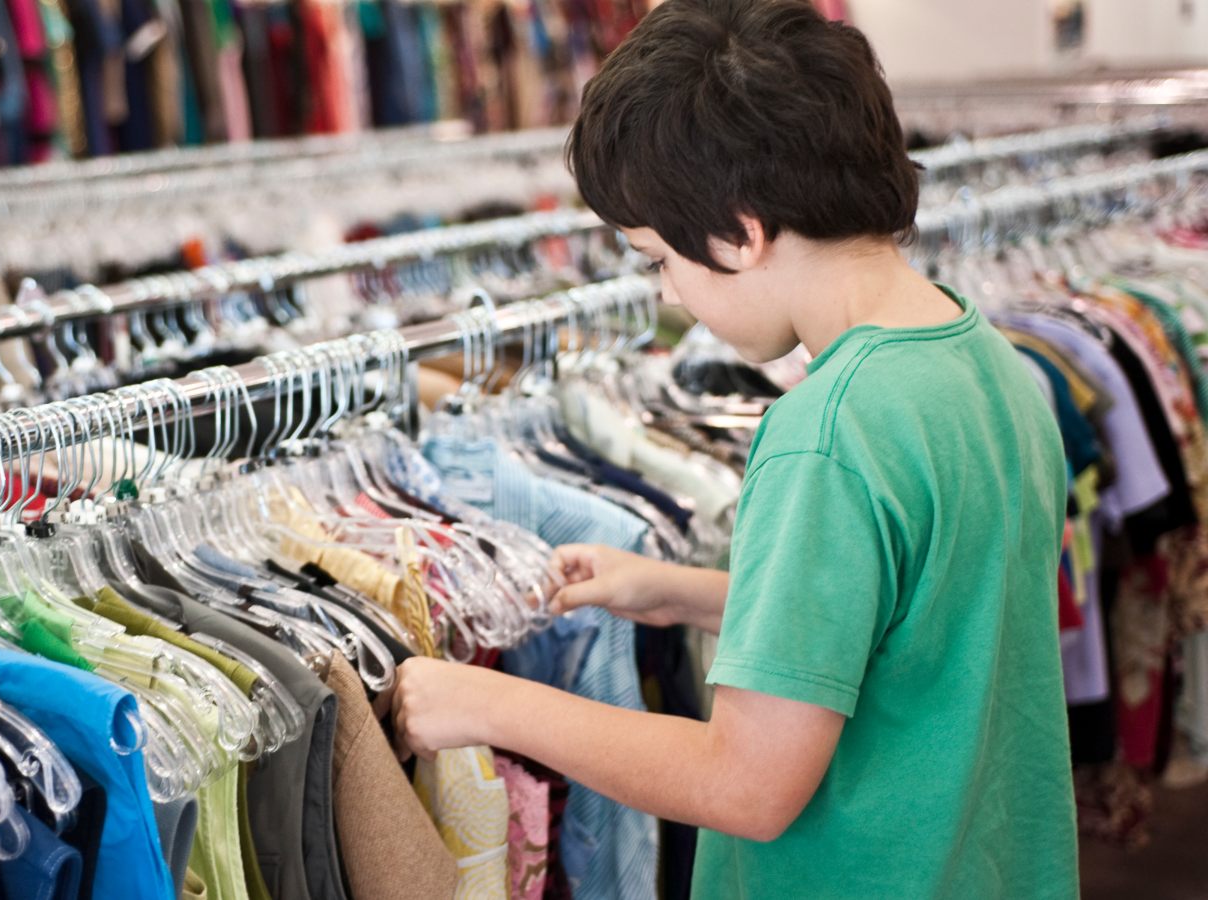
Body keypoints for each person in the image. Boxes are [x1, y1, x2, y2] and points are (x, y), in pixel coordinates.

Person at [386, 0, 1080, 896]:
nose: (666, 285)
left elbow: (747, 783)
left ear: (741, 232)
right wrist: (683, 594)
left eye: (656, 259)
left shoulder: (825, 434)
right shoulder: (980, 357)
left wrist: (490, 703)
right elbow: (920, 617)